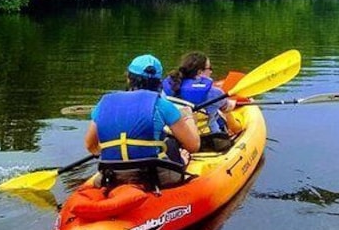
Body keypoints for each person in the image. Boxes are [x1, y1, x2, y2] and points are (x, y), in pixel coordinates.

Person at [84, 54, 200, 187]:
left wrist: (116, 155)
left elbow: (90, 145)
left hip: (112, 174)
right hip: (153, 177)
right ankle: (181, 161)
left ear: (128, 78)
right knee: (172, 144)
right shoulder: (162, 105)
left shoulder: (103, 103)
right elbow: (193, 146)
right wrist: (188, 116)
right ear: (158, 81)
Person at [162, 51, 237, 134]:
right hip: (208, 137)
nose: (211, 71)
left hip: (175, 135)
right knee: (220, 116)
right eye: (210, 68)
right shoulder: (214, 93)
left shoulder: (170, 87)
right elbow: (227, 108)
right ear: (200, 72)